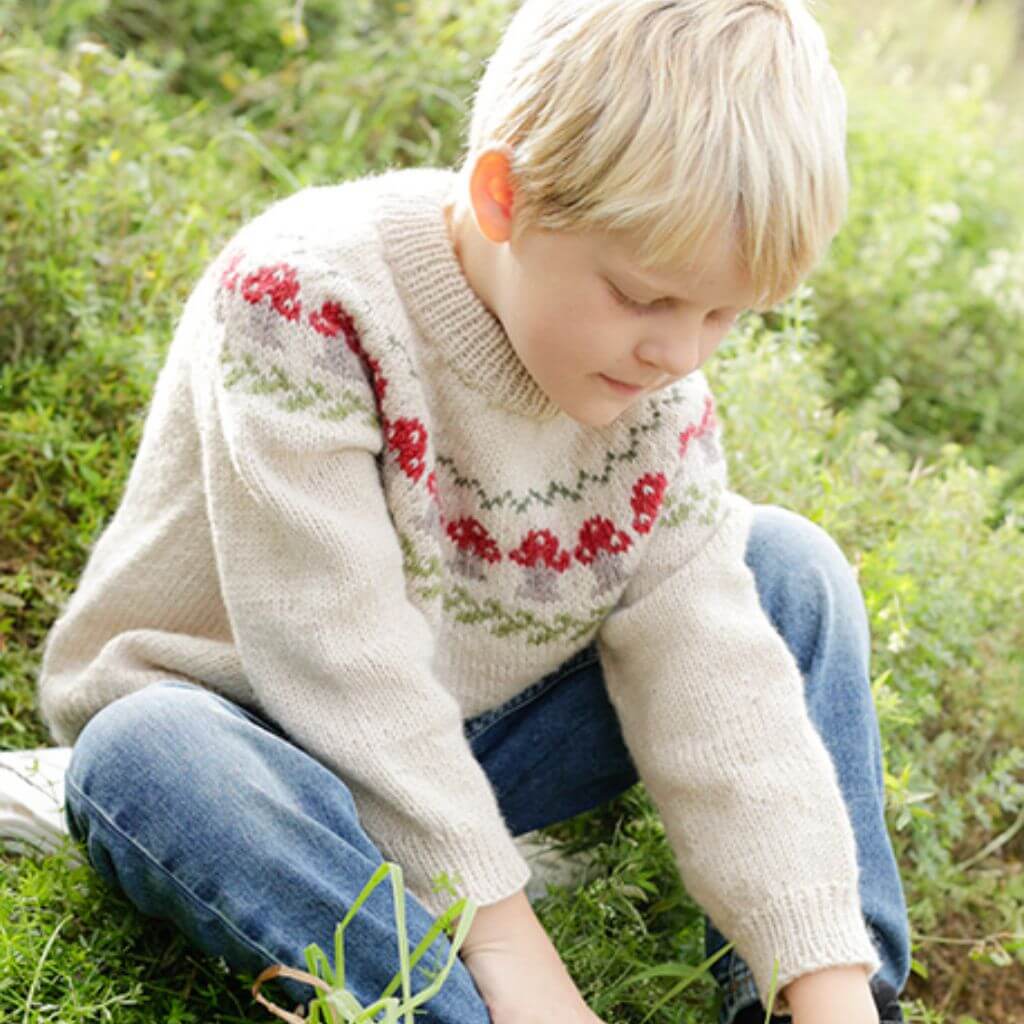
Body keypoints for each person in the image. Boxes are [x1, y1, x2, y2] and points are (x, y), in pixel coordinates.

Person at [30, 1, 911, 1022]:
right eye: (645, 297)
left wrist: (820, 975)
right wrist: (501, 934)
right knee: (149, 748)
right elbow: (335, 659)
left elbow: (717, 673)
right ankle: (461, 991)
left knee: (784, 570)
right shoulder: (306, 301)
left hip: (473, 744)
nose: (682, 353)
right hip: (262, 745)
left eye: (722, 315)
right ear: (504, 194)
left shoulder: (652, 393)